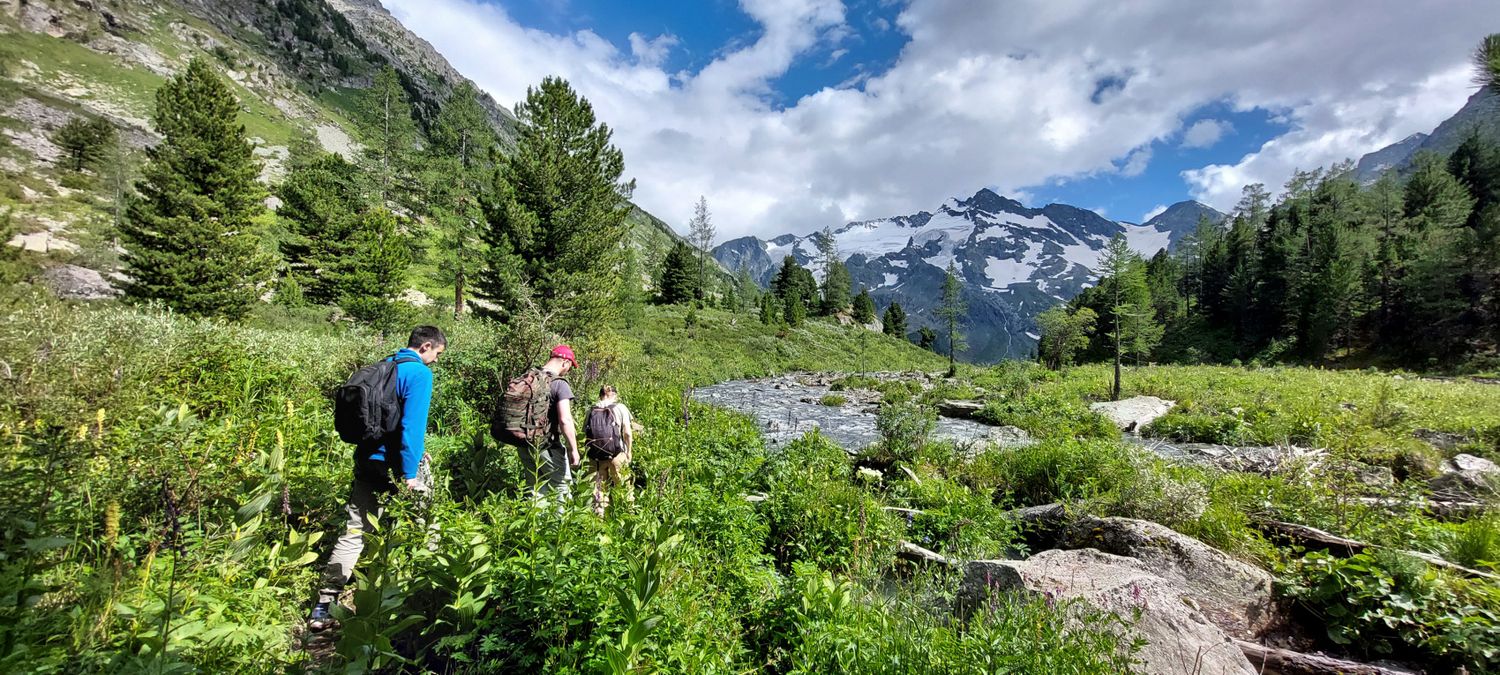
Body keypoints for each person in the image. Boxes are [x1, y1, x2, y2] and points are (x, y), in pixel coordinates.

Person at [308, 325, 446, 632]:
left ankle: (323, 606)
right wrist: (410, 473)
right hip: (398, 465)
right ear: (425, 346)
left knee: (355, 531)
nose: (436, 360)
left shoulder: (384, 365)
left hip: (368, 460)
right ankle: (431, 598)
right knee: (428, 524)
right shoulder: (419, 374)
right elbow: (411, 427)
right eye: (437, 353)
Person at [517, 344, 581, 504]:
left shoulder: (528, 377)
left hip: (523, 443)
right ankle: (560, 520)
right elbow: (565, 420)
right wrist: (573, 449)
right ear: (565, 362)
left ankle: (535, 519)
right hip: (547, 445)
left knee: (535, 487)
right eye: (570, 367)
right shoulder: (559, 383)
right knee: (561, 486)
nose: (568, 371)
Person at [586, 385, 636, 517]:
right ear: (614, 395)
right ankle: (628, 516)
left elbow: (584, 433)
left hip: (596, 457)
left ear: (600, 395)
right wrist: (629, 451)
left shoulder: (591, 409)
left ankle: (600, 520)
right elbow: (627, 433)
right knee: (624, 488)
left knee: (599, 491)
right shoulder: (620, 408)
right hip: (617, 455)